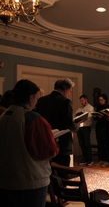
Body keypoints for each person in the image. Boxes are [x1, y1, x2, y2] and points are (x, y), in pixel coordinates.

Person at [0, 79, 59, 207]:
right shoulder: (32, 118)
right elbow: (48, 151)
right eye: (37, 98)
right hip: (31, 180)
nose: (37, 102)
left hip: (6, 180)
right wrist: (54, 142)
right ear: (30, 97)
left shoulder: (3, 116)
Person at [36, 78, 78, 166]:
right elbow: (68, 122)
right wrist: (76, 127)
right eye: (70, 91)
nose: (69, 93)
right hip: (62, 142)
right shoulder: (65, 101)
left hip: (46, 139)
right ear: (65, 89)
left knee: (48, 169)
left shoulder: (42, 100)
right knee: (62, 170)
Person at [92, 94, 109, 168]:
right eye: (99, 100)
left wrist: (102, 117)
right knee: (100, 144)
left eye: (102, 100)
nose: (100, 101)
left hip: (106, 127)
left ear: (105, 100)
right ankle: (101, 159)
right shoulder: (98, 107)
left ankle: (107, 160)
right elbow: (96, 119)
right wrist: (95, 116)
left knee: (106, 144)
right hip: (99, 126)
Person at [75, 95, 94, 166]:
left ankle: (90, 159)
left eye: (82, 101)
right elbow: (76, 116)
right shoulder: (79, 108)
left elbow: (88, 117)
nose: (81, 102)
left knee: (87, 143)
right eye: (80, 101)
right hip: (79, 127)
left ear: (86, 100)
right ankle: (84, 158)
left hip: (86, 127)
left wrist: (82, 117)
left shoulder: (90, 108)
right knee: (81, 144)